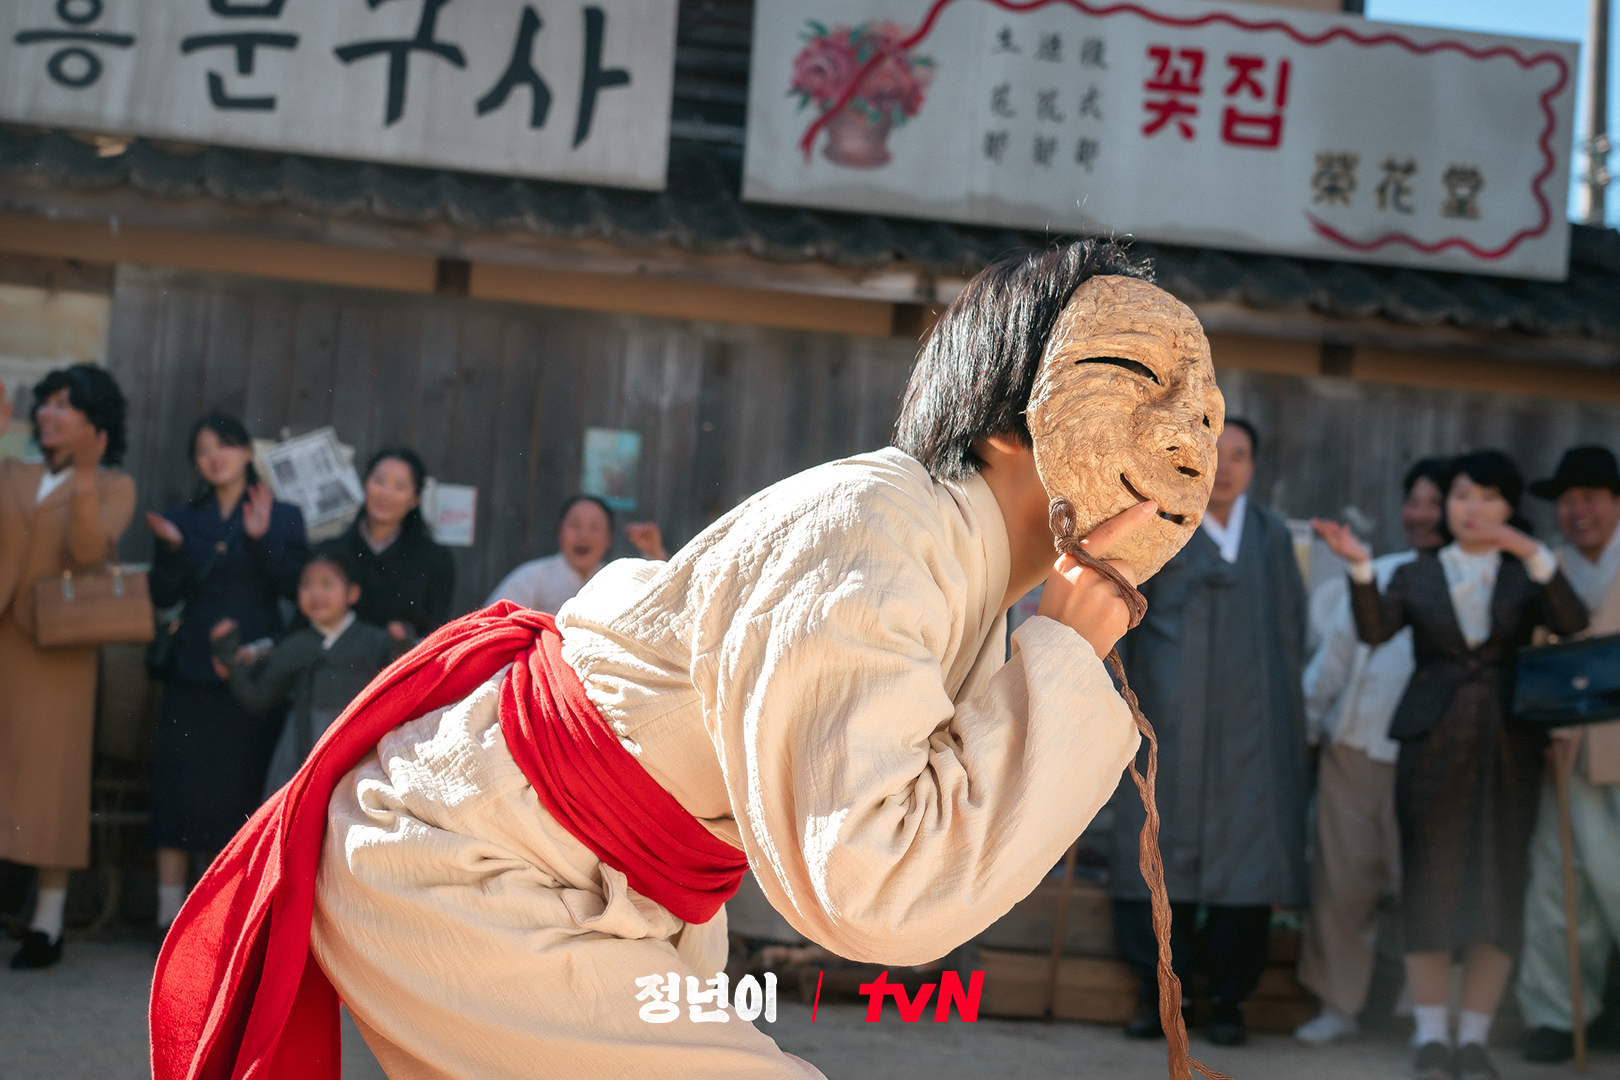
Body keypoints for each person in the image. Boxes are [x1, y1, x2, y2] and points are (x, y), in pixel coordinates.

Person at [152, 242, 1223, 1079]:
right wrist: (1070, 649)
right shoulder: (881, 528)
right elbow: (871, 885)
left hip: (608, 885)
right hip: (472, 864)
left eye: (1204, 412)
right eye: (1134, 381)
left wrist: (1058, 645)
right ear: (1005, 418)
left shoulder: (960, 569)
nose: (1186, 443)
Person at [1317, 450, 1588, 1080]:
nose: (1472, 508)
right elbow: (1376, 632)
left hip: (1508, 746)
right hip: (1431, 743)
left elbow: (1570, 622)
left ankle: (1475, 1037)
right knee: (1432, 880)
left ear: (1509, 507)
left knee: (1501, 880)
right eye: (1462, 495)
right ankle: (1432, 1036)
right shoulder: (1417, 570)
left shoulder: (1526, 575)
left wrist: (1530, 551)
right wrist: (1360, 568)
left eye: (1489, 497)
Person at [1107, 416, 1309, 1047]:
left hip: (1250, 723)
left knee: (1245, 858)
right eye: (1216, 455)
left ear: (1254, 467)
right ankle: (1156, 992)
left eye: (1240, 455)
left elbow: (1291, 635)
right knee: (1153, 845)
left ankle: (1228, 1000)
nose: (1227, 467)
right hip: (1167, 717)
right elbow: (1126, 625)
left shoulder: (1273, 539)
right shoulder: (1159, 529)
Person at [1293, 457, 1448, 1045]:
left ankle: (1425, 1014)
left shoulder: (1476, 579)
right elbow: (1330, 665)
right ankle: (1338, 1005)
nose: (1423, 514)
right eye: (1416, 500)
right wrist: (1309, 731)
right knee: (1343, 886)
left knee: (1430, 888)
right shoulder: (1374, 572)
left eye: (1436, 502)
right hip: (1355, 753)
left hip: (1433, 762)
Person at [146, 414, 308, 936]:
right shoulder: (182, 518)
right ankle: (167, 916)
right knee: (175, 786)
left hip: (251, 673)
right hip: (190, 668)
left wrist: (262, 540)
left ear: (245, 452)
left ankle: (222, 920)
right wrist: (172, 551)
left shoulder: (281, 516)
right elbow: (164, 597)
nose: (214, 456)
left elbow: (295, 592)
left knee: (239, 792)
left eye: (224, 446)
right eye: (202, 450)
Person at [0, 366, 135, 970]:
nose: (50, 413)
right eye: (46, 403)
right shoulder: (12, 471)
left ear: (93, 422)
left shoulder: (113, 487)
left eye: (66, 405)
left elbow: (86, 554)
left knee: (50, 782)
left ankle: (46, 923)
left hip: (59, 655)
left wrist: (83, 478)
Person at [1517, 447, 1620, 1063]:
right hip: (1568, 749)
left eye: (1591, 497)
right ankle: (1559, 1015)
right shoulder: (1549, 568)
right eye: (1569, 499)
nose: (1578, 511)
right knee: (1561, 889)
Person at [210, 546, 406, 798]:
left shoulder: (375, 641)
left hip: (360, 746)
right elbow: (258, 699)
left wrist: (402, 643)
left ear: (353, 592)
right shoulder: (294, 646)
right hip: (301, 747)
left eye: (327, 584)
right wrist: (230, 663)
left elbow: (400, 691)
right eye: (307, 585)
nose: (316, 594)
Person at [333, 448, 455, 642]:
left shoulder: (436, 559)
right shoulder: (332, 552)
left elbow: (436, 631)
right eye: (378, 481)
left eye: (399, 487)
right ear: (365, 485)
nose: (385, 493)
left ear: (415, 499)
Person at [485, 495, 669, 613]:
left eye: (595, 527)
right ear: (560, 532)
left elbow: (660, 607)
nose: (583, 535)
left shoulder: (618, 580)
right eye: (574, 525)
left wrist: (655, 554)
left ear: (609, 538)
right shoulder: (530, 577)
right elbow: (492, 623)